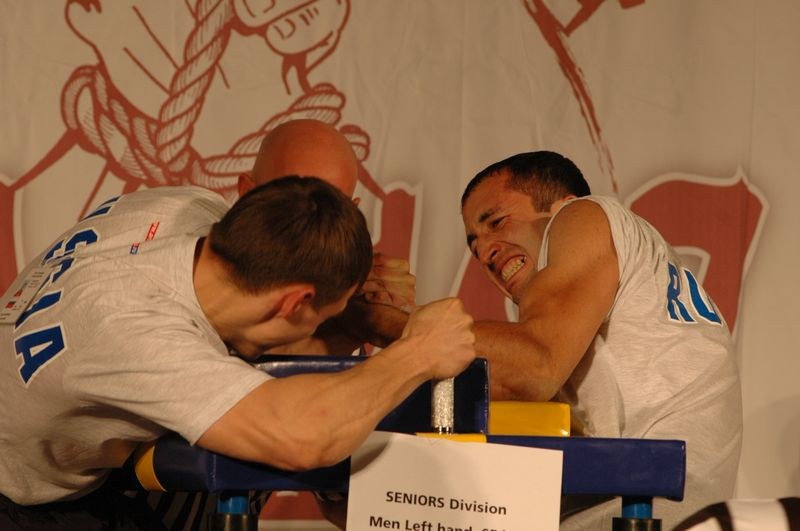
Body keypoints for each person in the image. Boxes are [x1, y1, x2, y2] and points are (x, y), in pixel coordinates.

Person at [0, 176, 475, 529]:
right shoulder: (136, 332)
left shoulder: (183, 206)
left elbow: (256, 341)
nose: (326, 330)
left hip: (75, 473)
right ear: (294, 302)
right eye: (325, 317)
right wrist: (418, 352)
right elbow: (302, 437)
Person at [460, 151, 742, 529]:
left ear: (562, 205)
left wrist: (397, 327)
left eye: (497, 221)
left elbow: (532, 366)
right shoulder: (604, 295)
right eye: (474, 245)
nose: (485, 252)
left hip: (645, 509)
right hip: (649, 505)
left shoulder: (583, 215)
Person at [237, 118, 415, 354]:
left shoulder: (347, 294)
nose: (310, 227)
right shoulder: (196, 266)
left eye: (331, 210)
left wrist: (371, 311)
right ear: (247, 193)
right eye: (292, 204)